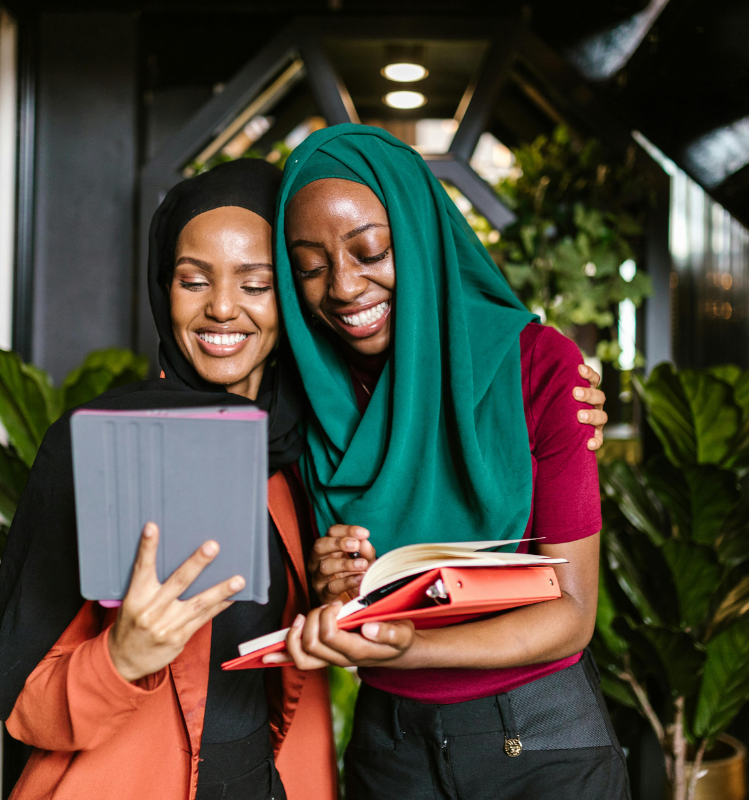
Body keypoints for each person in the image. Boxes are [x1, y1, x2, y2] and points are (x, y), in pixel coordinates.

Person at [265, 125, 629, 799]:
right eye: (310, 267)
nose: (344, 287)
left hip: (540, 744)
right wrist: (331, 584)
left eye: (371, 251)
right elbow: (332, 597)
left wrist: (411, 647)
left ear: (421, 234)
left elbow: (572, 612)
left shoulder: (539, 368)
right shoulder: (306, 393)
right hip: (390, 748)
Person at [0, 160, 337, 800]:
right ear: (162, 287)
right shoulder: (99, 443)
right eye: (193, 280)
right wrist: (121, 658)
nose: (222, 308)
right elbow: (23, 703)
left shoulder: (307, 450)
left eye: (256, 284)